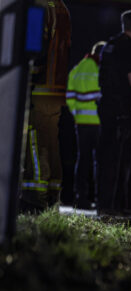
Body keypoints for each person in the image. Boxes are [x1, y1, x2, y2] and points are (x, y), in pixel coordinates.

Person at [97, 10, 131, 215]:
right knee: (119, 159)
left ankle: (102, 203)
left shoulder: (110, 45)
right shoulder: (129, 48)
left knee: (103, 156)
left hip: (106, 106)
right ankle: (113, 206)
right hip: (121, 109)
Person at [20, 0, 71, 212]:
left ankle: (34, 198)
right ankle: (52, 197)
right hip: (55, 88)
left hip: (39, 86)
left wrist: (26, 76)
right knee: (51, 142)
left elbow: (33, 46)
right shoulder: (61, 8)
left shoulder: (38, 4)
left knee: (36, 140)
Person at [66, 40, 105, 209]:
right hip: (98, 122)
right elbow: (103, 94)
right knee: (100, 162)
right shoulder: (99, 69)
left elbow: (70, 96)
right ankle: (100, 198)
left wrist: (77, 114)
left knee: (83, 160)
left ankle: (80, 197)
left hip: (81, 122)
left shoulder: (77, 69)